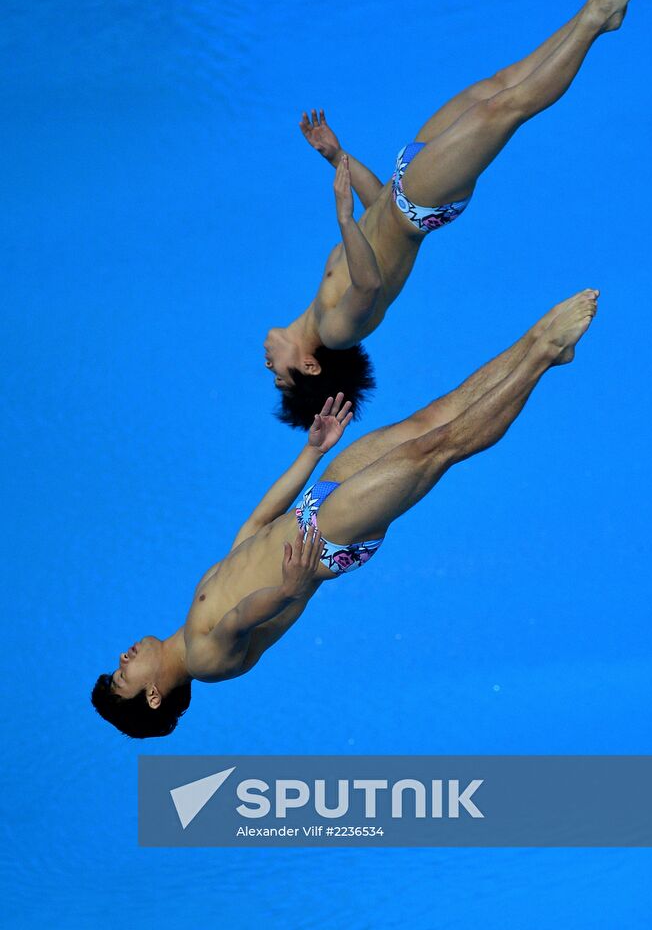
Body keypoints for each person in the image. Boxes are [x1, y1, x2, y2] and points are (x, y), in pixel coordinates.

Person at [93, 288, 598, 737]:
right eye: (123, 677)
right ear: (153, 695)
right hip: (327, 538)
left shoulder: (192, 612)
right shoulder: (205, 662)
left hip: (316, 505)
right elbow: (243, 619)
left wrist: (311, 454)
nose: (123, 659)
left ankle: (534, 341)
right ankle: (544, 353)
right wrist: (288, 590)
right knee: (438, 448)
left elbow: (252, 531)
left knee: (431, 418)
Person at [265, 0, 640, 429]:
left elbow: (377, 206)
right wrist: (343, 219)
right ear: (310, 366)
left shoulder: (320, 307)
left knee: (498, 85)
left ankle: (598, 19)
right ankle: (593, 19)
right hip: (421, 200)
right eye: (280, 378)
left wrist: (337, 156)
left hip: (405, 182)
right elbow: (370, 282)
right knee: (504, 110)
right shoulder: (336, 332)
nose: (268, 368)